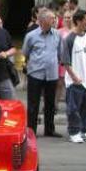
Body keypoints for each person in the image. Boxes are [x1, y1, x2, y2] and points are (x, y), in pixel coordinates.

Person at [22, 9, 63, 137]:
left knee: (50, 103)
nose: (55, 20)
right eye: (52, 18)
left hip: (52, 74)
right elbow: (25, 52)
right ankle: (31, 130)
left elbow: (60, 53)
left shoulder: (57, 34)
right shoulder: (31, 35)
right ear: (43, 20)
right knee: (33, 103)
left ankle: (49, 129)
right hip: (35, 73)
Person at [62, 11, 86, 143]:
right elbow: (65, 61)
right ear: (78, 21)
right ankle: (74, 132)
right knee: (73, 108)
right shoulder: (69, 38)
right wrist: (73, 77)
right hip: (75, 81)